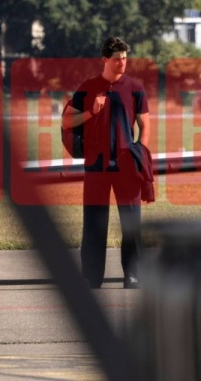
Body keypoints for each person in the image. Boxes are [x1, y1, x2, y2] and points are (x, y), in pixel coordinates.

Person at [62, 37, 150, 289]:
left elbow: (145, 124)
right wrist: (91, 111)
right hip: (96, 165)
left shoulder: (135, 88)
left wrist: (140, 152)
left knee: (131, 222)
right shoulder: (88, 87)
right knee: (94, 222)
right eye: (117, 59)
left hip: (126, 164)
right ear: (104, 59)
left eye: (125, 58)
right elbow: (67, 122)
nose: (122, 63)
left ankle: (133, 274)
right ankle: (91, 277)